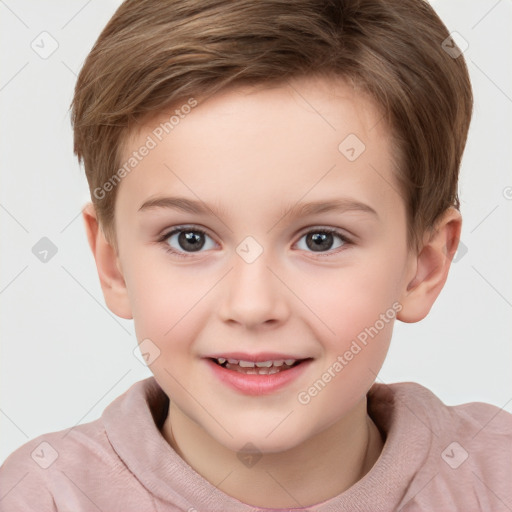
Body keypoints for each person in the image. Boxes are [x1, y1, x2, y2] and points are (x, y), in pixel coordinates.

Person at [1, 0, 511, 510]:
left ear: (423, 266)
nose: (251, 305)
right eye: (190, 239)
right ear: (112, 262)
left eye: (321, 240)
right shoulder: (40, 497)